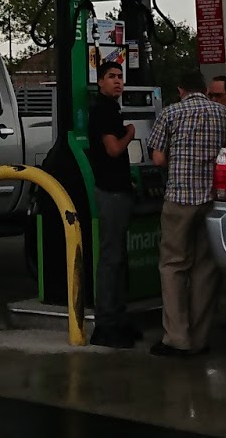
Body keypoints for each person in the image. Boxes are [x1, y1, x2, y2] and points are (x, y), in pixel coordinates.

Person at [145, 69, 226, 358]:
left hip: (179, 199)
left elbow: (158, 159)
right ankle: (200, 338)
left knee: (173, 266)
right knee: (205, 268)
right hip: (212, 201)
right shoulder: (223, 114)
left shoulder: (170, 113)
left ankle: (177, 338)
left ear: (181, 90)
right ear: (205, 90)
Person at [86, 60, 139, 348]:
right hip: (111, 192)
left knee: (119, 258)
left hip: (120, 189)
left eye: (120, 76)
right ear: (100, 82)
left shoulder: (111, 109)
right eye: (111, 76)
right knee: (111, 258)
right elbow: (113, 149)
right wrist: (130, 132)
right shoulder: (104, 111)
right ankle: (106, 324)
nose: (118, 81)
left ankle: (118, 318)